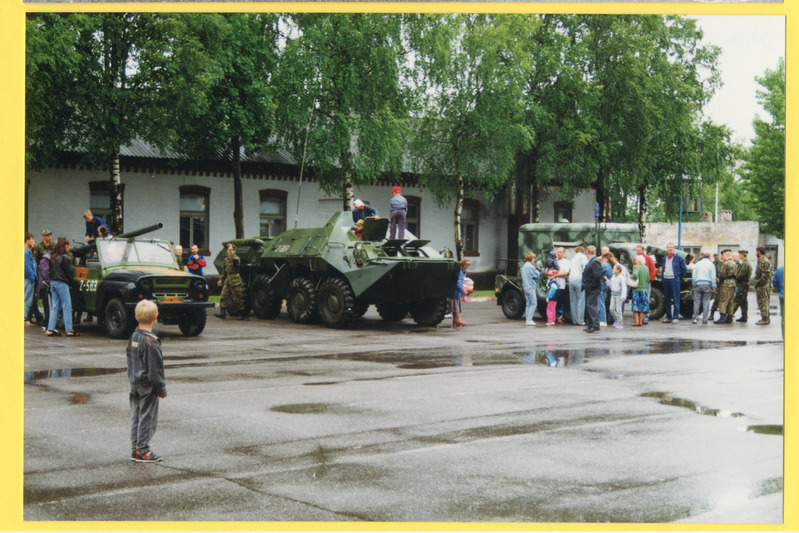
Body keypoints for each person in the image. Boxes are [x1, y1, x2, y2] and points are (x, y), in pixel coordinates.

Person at [127, 299, 167, 463]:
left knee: (136, 416)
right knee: (147, 418)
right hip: (147, 386)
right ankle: (143, 450)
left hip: (134, 383)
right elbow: (155, 369)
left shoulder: (134, 336)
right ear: (155, 317)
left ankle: (136, 448)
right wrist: (161, 388)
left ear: (137, 317)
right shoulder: (151, 341)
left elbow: (130, 360)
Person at [46, 237, 79, 337]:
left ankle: (50, 329)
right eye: (68, 245)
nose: (69, 247)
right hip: (62, 283)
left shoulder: (53, 257)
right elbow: (69, 273)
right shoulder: (66, 257)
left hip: (53, 282)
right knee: (67, 306)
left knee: (55, 306)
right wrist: (70, 283)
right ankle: (69, 330)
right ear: (65, 246)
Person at [216, 243, 245, 320]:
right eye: (228, 250)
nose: (228, 251)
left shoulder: (236, 259)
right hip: (228, 280)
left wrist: (231, 248)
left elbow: (234, 258)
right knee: (223, 296)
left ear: (234, 251)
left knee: (237, 298)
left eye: (230, 250)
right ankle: (223, 313)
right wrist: (221, 279)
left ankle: (241, 313)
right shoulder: (226, 260)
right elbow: (224, 271)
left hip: (235, 281)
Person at [660, 242, 687, 324]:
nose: (670, 249)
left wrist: (678, 277)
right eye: (669, 247)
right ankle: (668, 317)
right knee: (667, 299)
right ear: (666, 248)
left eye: (671, 247)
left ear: (674, 248)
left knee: (676, 298)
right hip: (666, 279)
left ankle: (675, 317)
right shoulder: (664, 258)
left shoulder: (678, 258)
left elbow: (684, 269)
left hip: (674, 280)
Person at [691, 249, 716, 324]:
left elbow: (694, 275)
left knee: (697, 301)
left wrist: (694, 284)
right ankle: (705, 320)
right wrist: (713, 286)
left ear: (702, 256)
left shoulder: (697, 264)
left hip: (698, 284)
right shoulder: (711, 265)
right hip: (707, 284)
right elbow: (713, 277)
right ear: (709, 257)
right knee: (706, 302)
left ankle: (695, 318)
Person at [581, 245, 603, 333]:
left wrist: (590, 285)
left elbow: (597, 276)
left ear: (587, 252)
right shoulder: (592, 261)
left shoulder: (595, 261)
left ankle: (595, 324)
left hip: (593, 288)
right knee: (588, 306)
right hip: (589, 288)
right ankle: (590, 324)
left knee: (591, 306)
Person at [713, 249, 737, 324]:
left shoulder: (725, 263)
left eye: (723, 255)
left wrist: (719, 280)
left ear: (727, 255)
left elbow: (722, 274)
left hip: (725, 283)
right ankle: (729, 317)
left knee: (723, 300)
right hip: (732, 283)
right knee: (730, 301)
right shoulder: (734, 263)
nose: (722, 257)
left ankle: (722, 317)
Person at [635, 245, 656, 324]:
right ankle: (639, 318)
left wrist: (649, 279)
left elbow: (653, 269)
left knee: (645, 299)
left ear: (643, 250)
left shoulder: (648, 258)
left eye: (639, 250)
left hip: (646, 282)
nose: (638, 252)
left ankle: (646, 317)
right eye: (637, 250)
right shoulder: (636, 259)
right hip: (638, 283)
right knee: (638, 300)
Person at [568, 246, 588, 326]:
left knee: (573, 301)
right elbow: (585, 268)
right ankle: (580, 320)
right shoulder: (583, 257)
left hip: (571, 279)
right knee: (581, 300)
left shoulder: (572, 258)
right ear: (583, 252)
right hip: (579, 279)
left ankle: (574, 320)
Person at [38, 243, 55, 332]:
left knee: (50, 305)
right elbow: (45, 272)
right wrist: (49, 283)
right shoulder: (46, 258)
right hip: (46, 285)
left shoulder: (49, 257)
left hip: (47, 283)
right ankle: (47, 324)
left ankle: (47, 323)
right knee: (49, 305)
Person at [754, 246, 773, 325]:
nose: (755, 253)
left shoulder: (764, 261)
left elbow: (765, 276)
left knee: (763, 301)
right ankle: (765, 317)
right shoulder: (761, 261)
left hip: (763, 286)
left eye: (756, 251)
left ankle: (765, 318)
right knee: (762, 301)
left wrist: (758, 283)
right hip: (762, 285)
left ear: (759, 252)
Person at [732, 250, 752, 322]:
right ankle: (744, 316)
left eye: (739, 254)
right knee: (743, 301)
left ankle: (729, 315)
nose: (738, 256)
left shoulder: (744, 264)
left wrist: (735, 278)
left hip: (742, 284)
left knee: (737, 299)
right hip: (745, 284)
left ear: (742, 255)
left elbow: (741, 275)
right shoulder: (747, 263)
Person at [520, 252, 540, 326]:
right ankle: (529, 319)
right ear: (531, 259)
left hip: (526, 287)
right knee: (534, 303)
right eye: (534, 258)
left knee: (528, 304)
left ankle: (527, 319)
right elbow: (537, 275)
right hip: (531, 287)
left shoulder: (524, 266)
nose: (534, 260)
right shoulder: (530, 266)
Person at [630, 255, 650, 327]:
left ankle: (636, 321)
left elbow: (635, 275)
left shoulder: (636, 267)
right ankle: (641, 321)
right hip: (644, 289)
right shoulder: (646, 268)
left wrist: (631, 276)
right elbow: (648, 278)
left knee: (635, 306)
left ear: (637, 260)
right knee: (643, 306)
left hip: (637, 289)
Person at [450, 258, 470, 327]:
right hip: (455, 292)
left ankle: (455, 320)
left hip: (454, 292)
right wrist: (463, 290)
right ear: (464, 265)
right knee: (456, 306)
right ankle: (458, 319)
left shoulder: (461, 271)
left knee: (455, 306)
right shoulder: (460, 272)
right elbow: (458, 283)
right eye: (467, 264)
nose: (468, 266)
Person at [608, 263, 628, 328]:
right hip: (613, 294)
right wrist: (607, 281)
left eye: (614, 268)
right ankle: (617, 320)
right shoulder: (613, 276)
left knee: (618, 309)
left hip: (619, 295)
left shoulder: (621, 278)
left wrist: (623, 297)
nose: (613, 270)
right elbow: (611, 285)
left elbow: (624, 288)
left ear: (618, 270)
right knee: (611, 308)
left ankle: (620, 323)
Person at [24, 233, 38, 326]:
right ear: (27, 240)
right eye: (32, 240)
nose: (34, 242)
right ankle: (24, 319)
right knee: (27, 299)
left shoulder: (28, 251)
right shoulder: (25, 252)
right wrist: (33, 277)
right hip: (29, 279)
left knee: (28, 298)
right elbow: (27, 266)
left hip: (30, 278)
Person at [554, 247, 570, 324]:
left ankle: (559, 317)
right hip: (553, 285)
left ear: (564, 253)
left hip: (561, 285)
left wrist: (556, 274)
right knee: (553, 301)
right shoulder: (554, 261)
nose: (559, 253)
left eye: (560, 252)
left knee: (560, 302)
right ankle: (552, 317)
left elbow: (566, 273)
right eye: (558, 252)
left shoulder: (567, 262)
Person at [597, 249, 613, 327]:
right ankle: (602, 319)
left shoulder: (604, 265)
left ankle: (602, 320)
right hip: (605, 284)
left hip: (601, 284)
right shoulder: (610, 265)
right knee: (602, 302)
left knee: (600, 303)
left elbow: (598, 273)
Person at [772, 265, 784, 339]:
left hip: (783, 297)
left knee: (784, 317)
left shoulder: (780, 270)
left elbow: (775, 282)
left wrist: (780, 290)